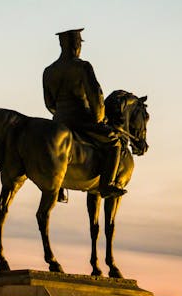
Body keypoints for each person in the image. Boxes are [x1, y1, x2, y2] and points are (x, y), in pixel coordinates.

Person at [42, 28, 126, 199]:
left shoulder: (49, 71)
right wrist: (99, 119)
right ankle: (107, 185)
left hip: (59, 121)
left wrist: (59, 116)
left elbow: (49, 103)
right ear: (76, 44)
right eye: (79, 42)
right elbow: (96, 97)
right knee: (114, 142)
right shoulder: (82, 67)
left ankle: (57, 187)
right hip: (81, 120)